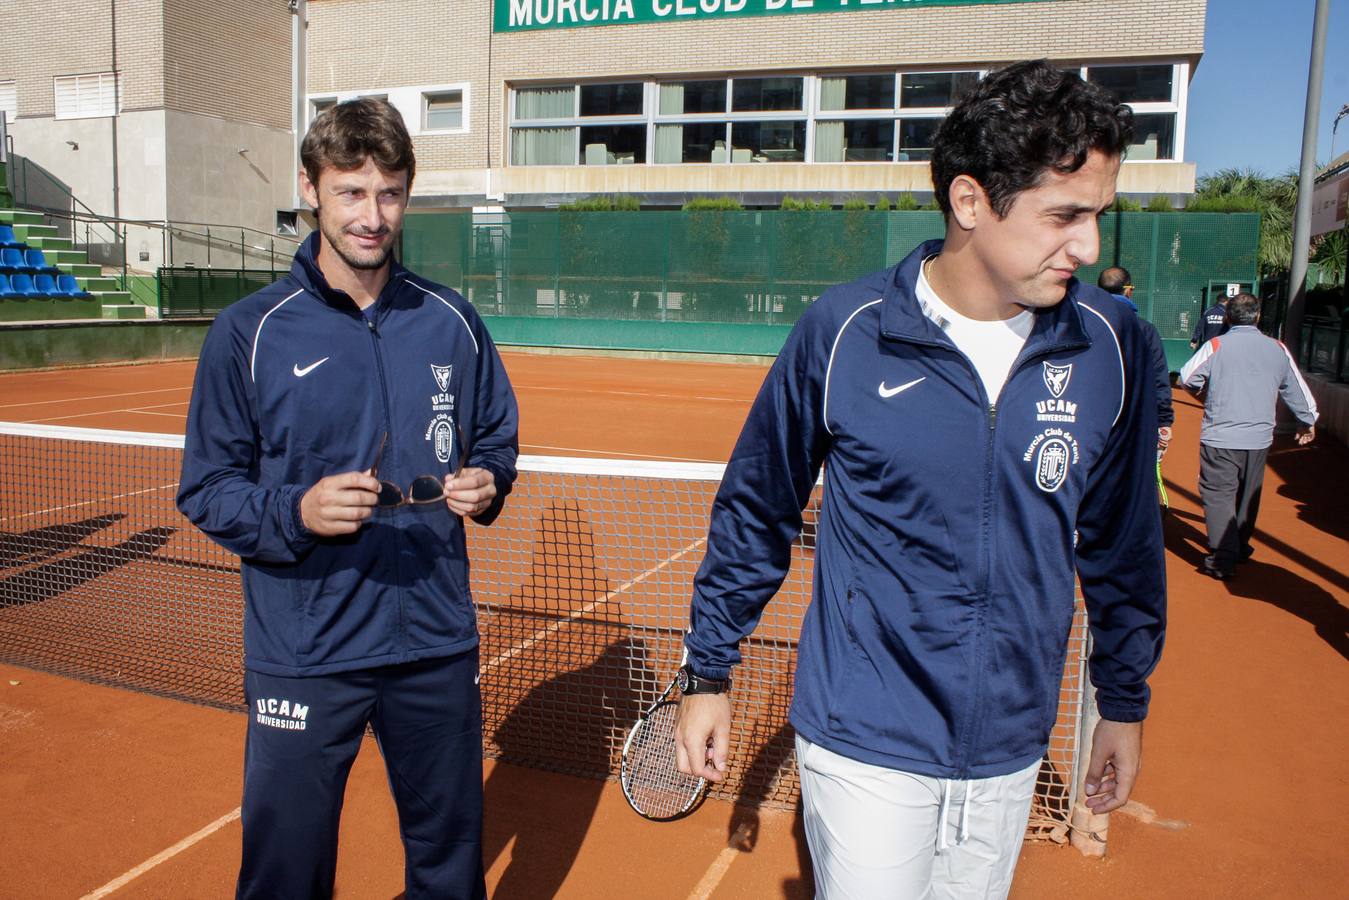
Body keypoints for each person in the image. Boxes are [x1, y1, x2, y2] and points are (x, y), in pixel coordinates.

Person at [675, 60, 1166, 898]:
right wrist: (708, 673)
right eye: (1063, 215)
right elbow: (757, 509)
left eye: (1097, 216)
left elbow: (1121, 542)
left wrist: (1120, 701)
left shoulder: (1114, 344)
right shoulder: (843, 333)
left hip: (1012, 742)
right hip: (865, 737)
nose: (1086, 245)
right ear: (970, 202)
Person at [176, 98, 519, 899]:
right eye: (352, 192)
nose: (373, 216)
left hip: (434, 644)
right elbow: (208, 487)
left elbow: (496, 438)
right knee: (284, 870)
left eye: (390, 192)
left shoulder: (452, 323)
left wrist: (489, 480)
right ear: (311, 188)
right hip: (306, 652)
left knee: (447, 862)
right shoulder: (248, 332)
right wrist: (295, 513)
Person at [1178, 292, 1317, 579]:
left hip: (1220, 435)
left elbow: (1187, 378)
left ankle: (1222, 556)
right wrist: (1307, 421)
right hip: (1259, 437)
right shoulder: (1277, 348)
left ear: (1228, 317)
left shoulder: (1216, 344)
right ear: (1257, 317)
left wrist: (1204, 396)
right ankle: (1239, 546)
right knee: (1247, 493)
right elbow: (1296, 388)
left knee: (1218, 494)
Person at [1098, 266, 1175, 460]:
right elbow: (1159, 378)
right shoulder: (1146, 330)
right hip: (1135, 421)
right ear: (1128, 290)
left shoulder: (1085, 325)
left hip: (1092, 420)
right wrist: (1164, 421)